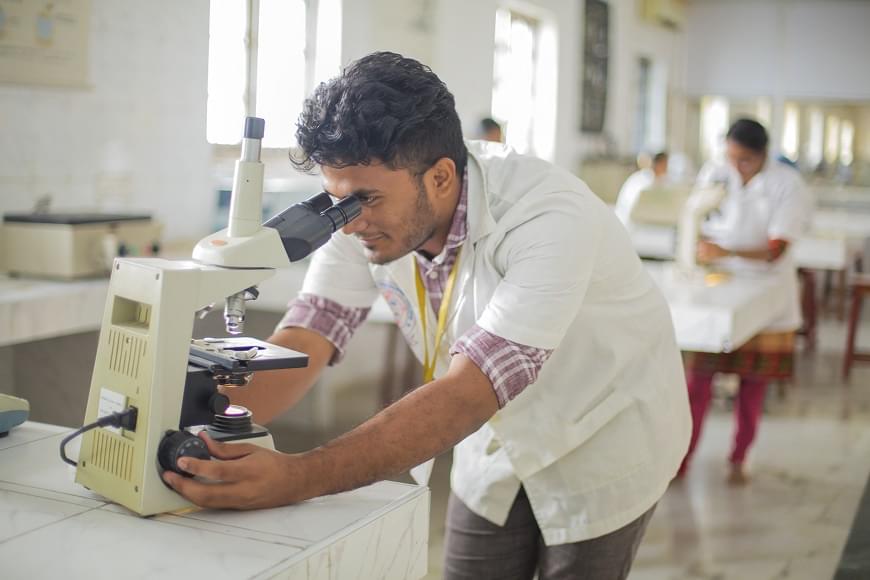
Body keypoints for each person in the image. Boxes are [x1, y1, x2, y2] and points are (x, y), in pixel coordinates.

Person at [164, 52, 690, 579]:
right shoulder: (354, 209)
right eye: (336, 199)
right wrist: (183, 424)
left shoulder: (547, 217)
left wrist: (296, 477)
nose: (349, 222)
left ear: (440, 177)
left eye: (365, 200)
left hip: (602, 434)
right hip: (495, 442)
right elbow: (310, 334)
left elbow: (468, 390)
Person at [678, 118, 809, 485]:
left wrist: (725, 251)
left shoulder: (787, 184)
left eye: (746, 160)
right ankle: (682, 458)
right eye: (731, 157)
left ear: (763, 154)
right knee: (697, 381)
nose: (736, 167)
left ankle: (739, 455)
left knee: (753, 385)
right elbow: (697, 216)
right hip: (722, 289)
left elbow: (776, 249)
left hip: (768, 293)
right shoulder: (716, 172)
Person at [613, 151, 669, 226]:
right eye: (665, 164)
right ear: (658, 164)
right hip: (629, 223)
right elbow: (633, 205)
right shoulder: (643, 181)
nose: (667, 168)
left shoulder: (658, 180)